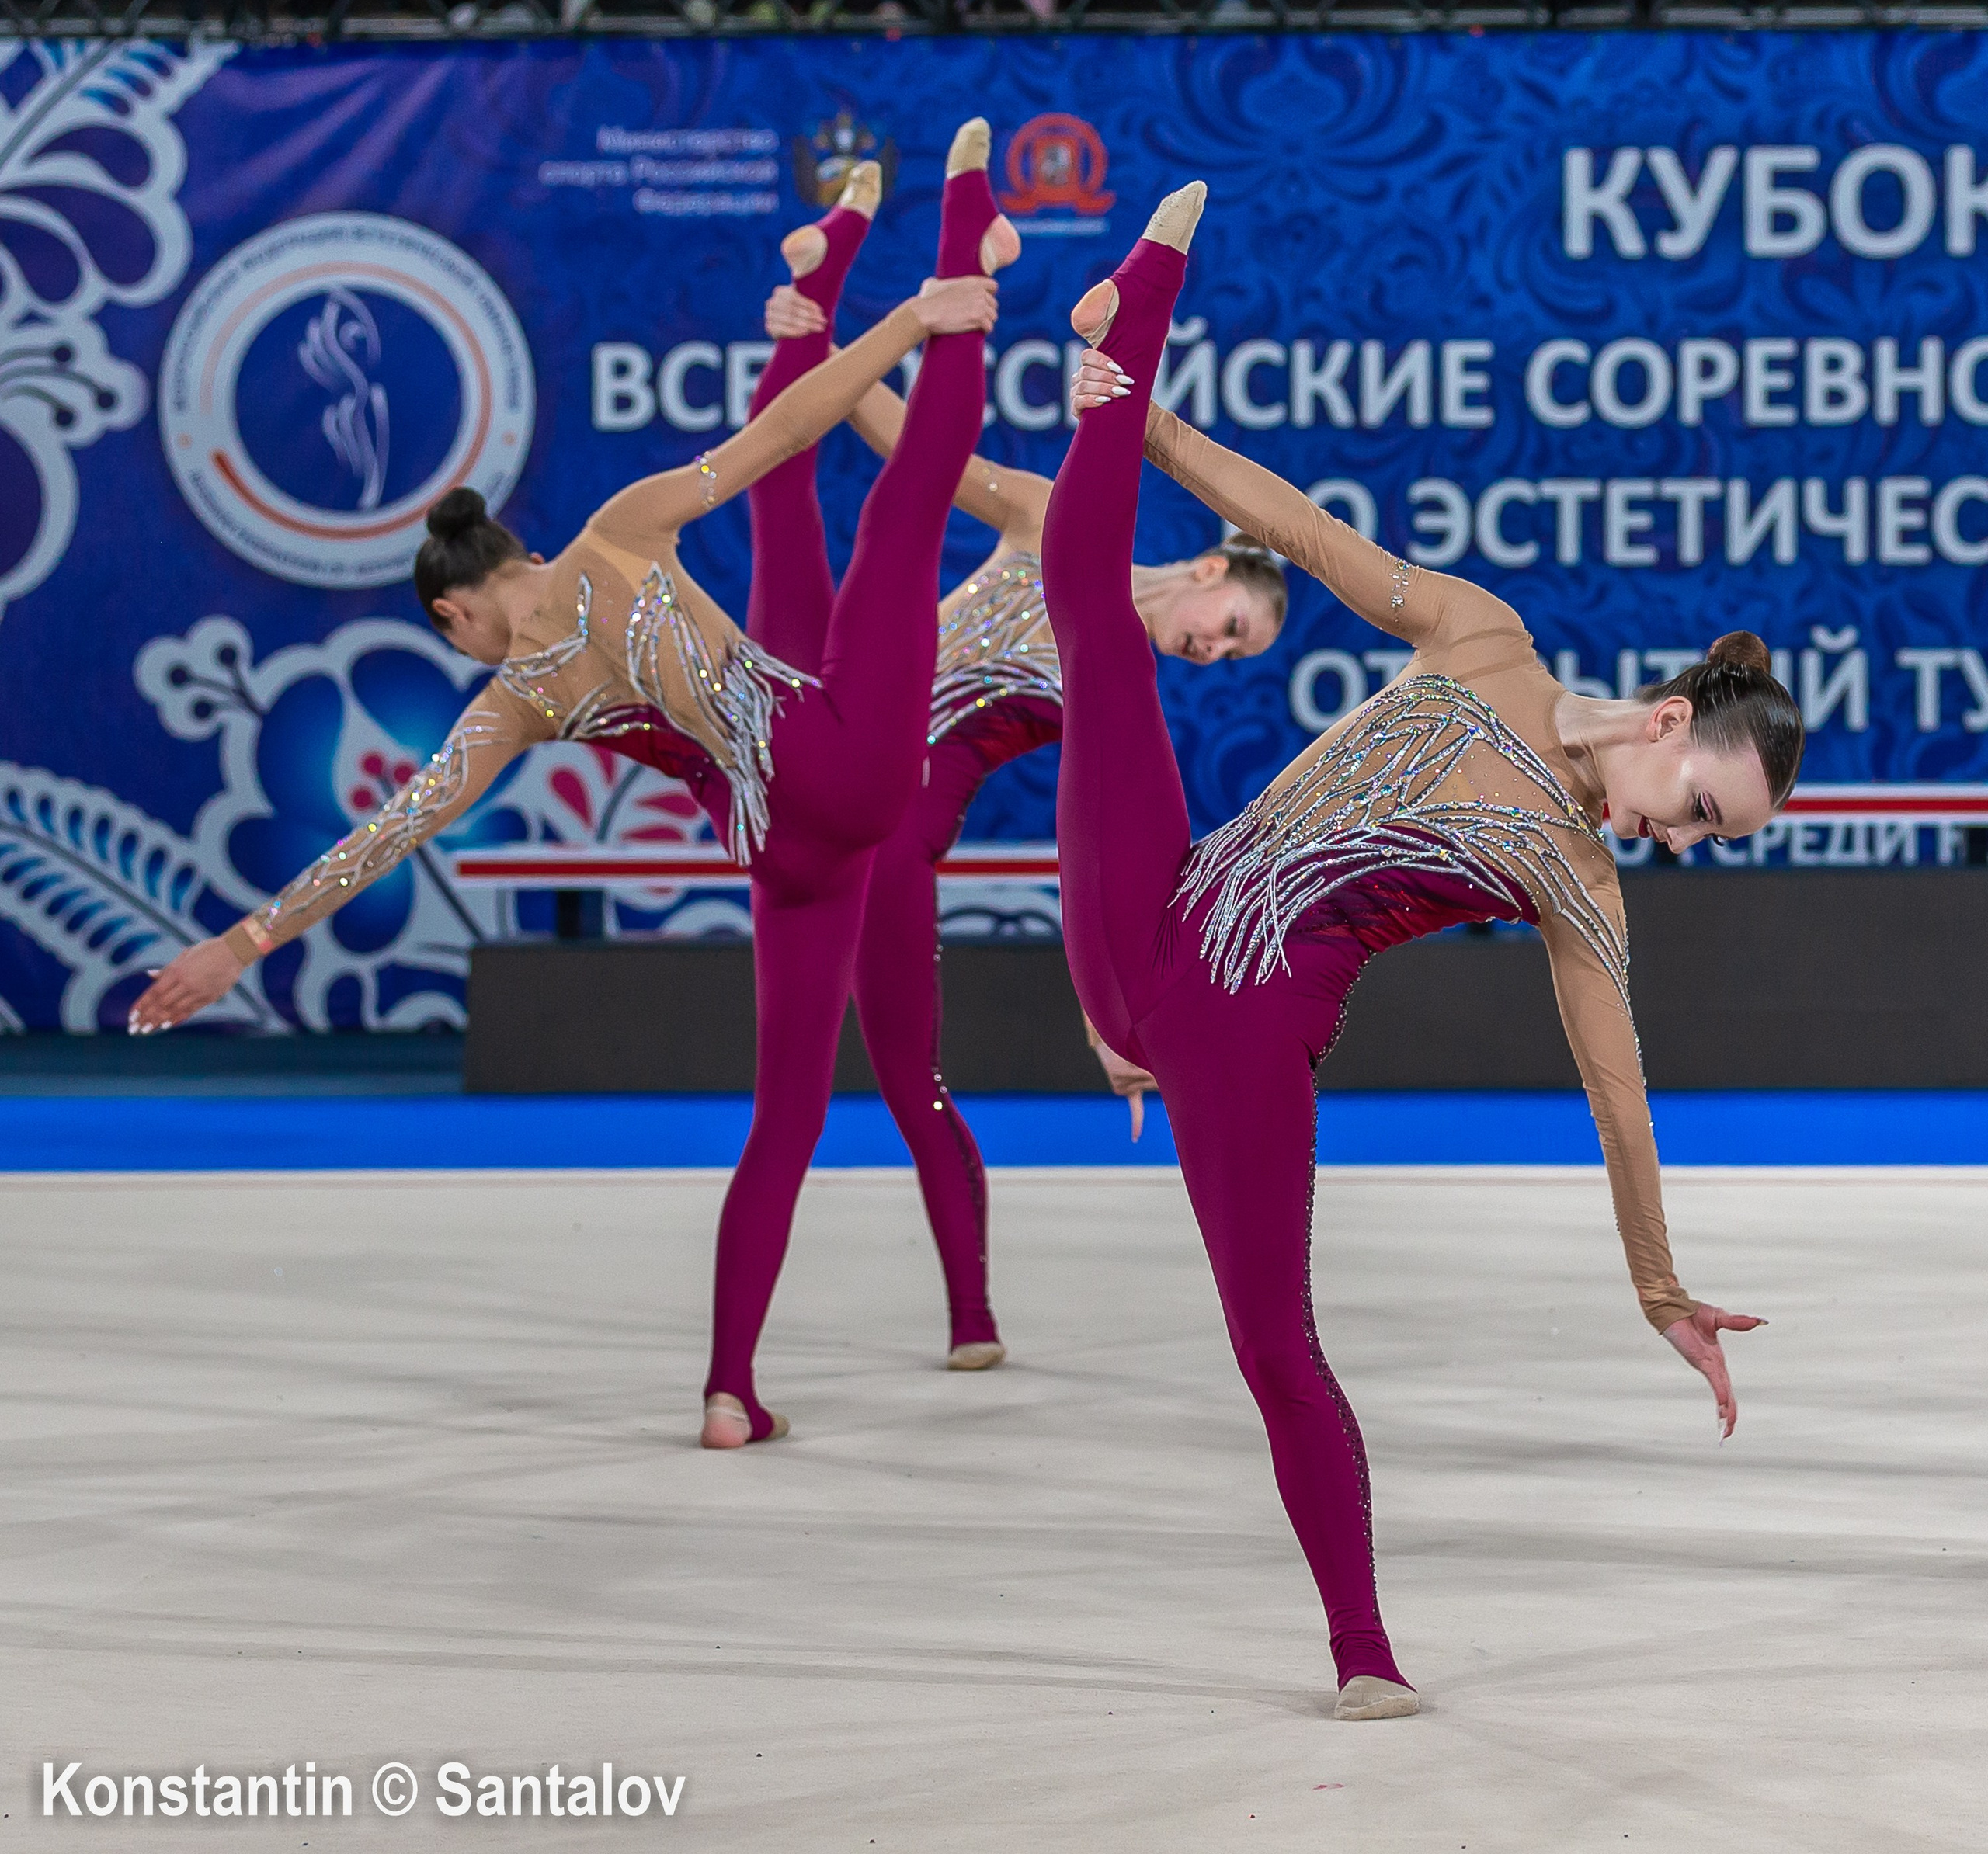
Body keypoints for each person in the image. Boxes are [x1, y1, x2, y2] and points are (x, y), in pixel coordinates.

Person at [129, 123, 1013, 1458]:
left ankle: (730, 1390)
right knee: (895, 517)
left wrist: (241, 944)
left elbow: (389, 833)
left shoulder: (513, 702)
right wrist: (917, 322)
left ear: (450, 615)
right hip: (848, 758)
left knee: (783, 1122)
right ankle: (955, 243)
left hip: (784, 848)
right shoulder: (620, 533)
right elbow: (783, 434)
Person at [1046, 182, 1799, 1720]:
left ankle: (1359, 1647)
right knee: (1095, 616)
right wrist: (1153, 427)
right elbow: (1304, 535)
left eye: (1710, 836)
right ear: (1667, 721)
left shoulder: (1580, 884)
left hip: (1244, 1031)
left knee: (1272, 1341)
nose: (1680, 832)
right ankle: (1119, 358)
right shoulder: (1478, 634)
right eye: (1699, 804)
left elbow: (1619, 1100)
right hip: (1155, 912)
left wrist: (1656, 1281)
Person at [759, 276, 1288, 1368]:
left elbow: (1089, 844)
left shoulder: (1120, 666)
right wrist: (835, 346)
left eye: (1237, 655)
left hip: (896, 840)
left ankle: (971, 1317)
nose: (1218, 653)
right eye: (1231, 627)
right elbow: (920, 449)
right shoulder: (1049, 518)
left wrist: (1109, 1022)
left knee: (912, 1078)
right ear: (1206, 568)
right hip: (832, 767)